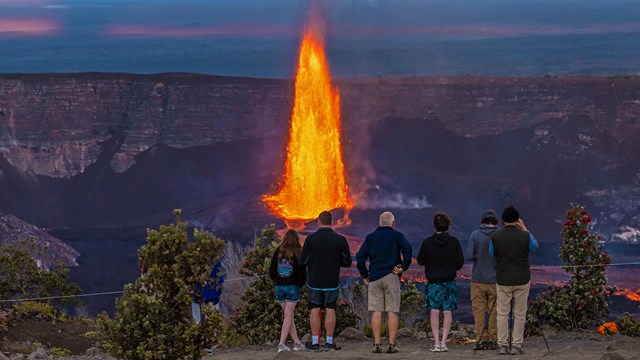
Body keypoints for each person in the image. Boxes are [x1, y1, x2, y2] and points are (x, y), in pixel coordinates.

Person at [356, 211, 413, 354]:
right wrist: (403, 267)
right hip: (391, 276)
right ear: (392, 223)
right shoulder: (397, 236)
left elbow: (359, 257)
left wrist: (365, 274)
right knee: (392, 311)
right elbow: (408, 249)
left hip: (374, 277)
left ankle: (376, 344)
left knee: (377, 311)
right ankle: (391, 345)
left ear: (379, 222)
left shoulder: (370, 237)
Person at [489, 206, 539, 356]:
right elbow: (534, 246)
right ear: (517, 220)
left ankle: (502, 345)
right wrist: (524, 229)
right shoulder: (525, 235)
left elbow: (492, 253)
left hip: (503, 279)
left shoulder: (496, 236)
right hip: (522, 279)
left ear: (503, 220)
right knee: (519, 313)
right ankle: (516, 345)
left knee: (502, 313)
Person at [300, 211, 352, 351]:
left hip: (315, 281)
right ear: (332, 221)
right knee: (330, 309)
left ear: (318, 221)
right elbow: (347, 262)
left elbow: (302, 261)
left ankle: (315, 343)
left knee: (314, 310)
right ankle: (329, 342)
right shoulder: (340, 239)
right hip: (331, 281)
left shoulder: (311, 239)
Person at [416, 211, 464, 353]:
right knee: (448, 312)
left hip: (433, 283)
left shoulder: (427, 242)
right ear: (447, 225)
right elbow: (460, 262)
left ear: (435, 225)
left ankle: (436, 343)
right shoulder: (454, 242)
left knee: (435, 312)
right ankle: (444, 343)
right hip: (449, 282)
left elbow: (420, 260)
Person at [269, 229, 308, 353]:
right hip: (292, 287)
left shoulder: (278, 251)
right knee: (288, 315)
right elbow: (302, 273)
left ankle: (297, 343)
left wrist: (277, 280)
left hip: (279, 287)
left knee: (288, 316)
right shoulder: (299, 252)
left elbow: (272, 270)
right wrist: (299, 284)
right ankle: (281, 344)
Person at [466, 209, 499, 349]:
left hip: (478, 279)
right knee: (494, 311)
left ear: (483, 221)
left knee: (479, 311)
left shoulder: (475, 235)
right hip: (495, 280)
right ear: (495, 221)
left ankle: (481, 339)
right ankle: (493, 339)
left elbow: (469, 256)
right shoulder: (500, 235)